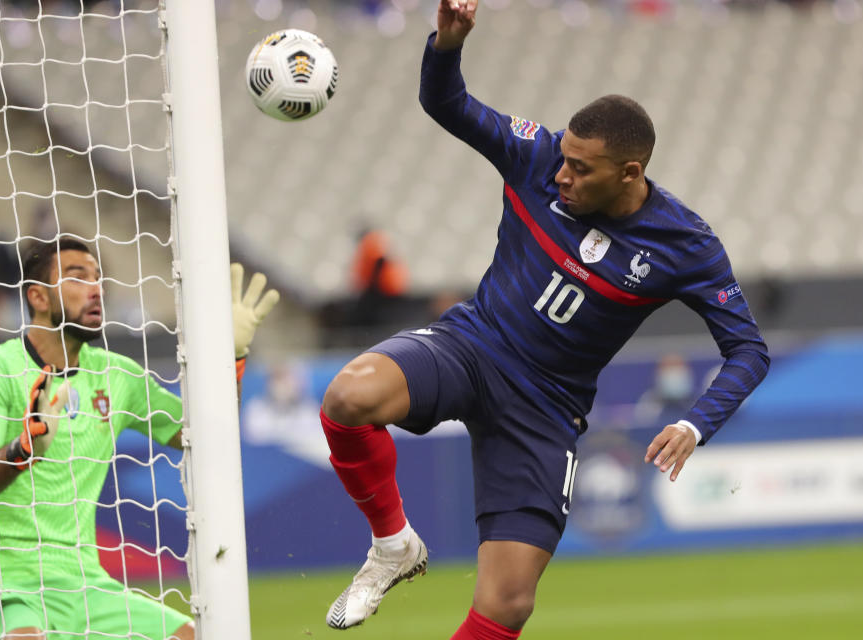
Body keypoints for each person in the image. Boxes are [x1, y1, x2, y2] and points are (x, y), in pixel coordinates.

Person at [318, 1, 770, 637]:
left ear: (630, 173)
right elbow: (448, 104)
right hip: (471, 346)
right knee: (347, 396)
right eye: (563, 157)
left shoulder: (685, 244)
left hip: (545, 406)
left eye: (581, 169)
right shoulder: (536, 155)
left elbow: (748, 350)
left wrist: (696, 423)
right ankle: (393, 546)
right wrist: (446, 45)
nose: (561, 174)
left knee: (507, 605)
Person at [0, 238, 278, 640]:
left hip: (84, 582)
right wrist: (24, 450)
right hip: (6, 582)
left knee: (193, 636)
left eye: (98, 278)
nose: (96, 289)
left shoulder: (117, 376)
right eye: (78, 277)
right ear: (37, 296)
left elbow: (205, 433)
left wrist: (230, 356)